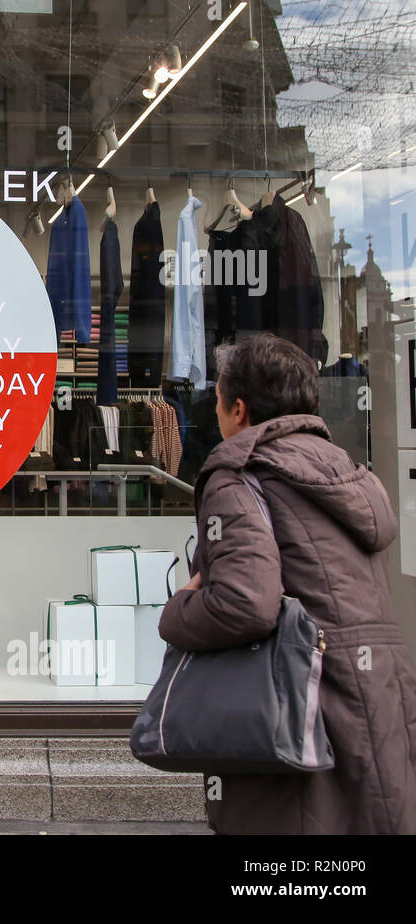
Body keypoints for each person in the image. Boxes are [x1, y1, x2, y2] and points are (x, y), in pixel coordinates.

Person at [159, 333, 416, 834]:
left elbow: (244, 605)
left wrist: (178, 610)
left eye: (216, 401)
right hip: (379, 694)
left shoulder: (239, 474)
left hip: (296, 706)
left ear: (239, 408)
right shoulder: (352, 473)